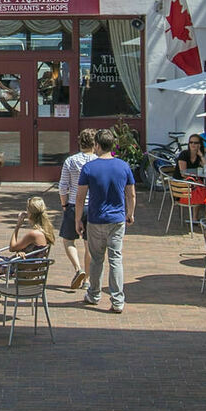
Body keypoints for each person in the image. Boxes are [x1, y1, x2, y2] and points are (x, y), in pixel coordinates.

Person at [78, 129, 136, 314]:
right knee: (115, 259)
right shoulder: (123, 166)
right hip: (117, 218)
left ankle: (94, 294)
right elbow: (131, 193)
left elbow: (80, 197)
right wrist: (130, 213)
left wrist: (78, 219)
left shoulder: (89, 168)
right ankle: (118, 300)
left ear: (97, 145)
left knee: (96, 259)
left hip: (96, 219)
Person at [55, 137, 91, 290]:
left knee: (68, 239)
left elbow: (63, 185)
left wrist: (64, 204)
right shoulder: (97, 161)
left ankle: (78, 268)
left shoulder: (70, 161)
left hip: (74, 203)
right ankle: (87, 280)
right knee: (89, 244)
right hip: (93, 205)